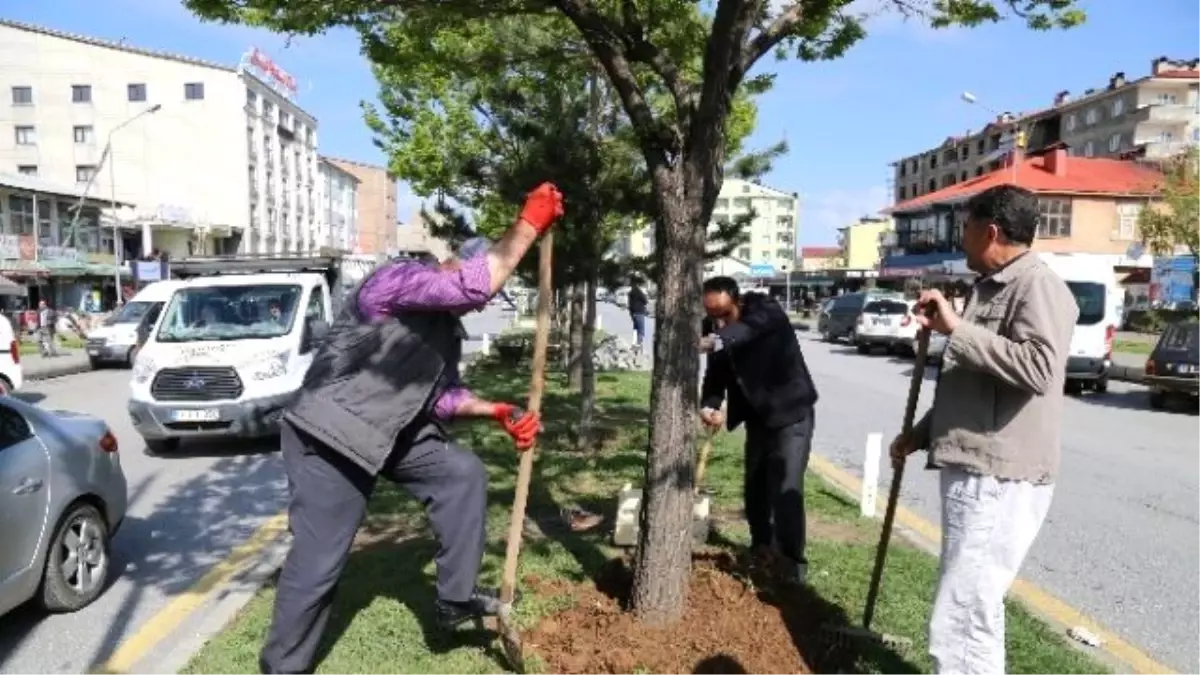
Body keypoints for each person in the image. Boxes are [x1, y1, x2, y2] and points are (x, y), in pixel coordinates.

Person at [259, 183, 564, 675]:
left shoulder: (446, 329)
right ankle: (283, 668)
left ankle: (454, 598)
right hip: (328, 434)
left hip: (390, 433)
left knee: (461, 474)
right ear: (454, 267)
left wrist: (497, 412)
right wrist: (529, 223)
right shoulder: (398, 281)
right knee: (319, 564)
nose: (480, 305)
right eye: (483, 286)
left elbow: (441, 397)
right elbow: (474, 285)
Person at [889, 185, 1077, 674]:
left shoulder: (1037, 286)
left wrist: (958, 330)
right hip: (976, 466)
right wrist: (924, 433)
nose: (962, 236)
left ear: (990, 230)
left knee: (965, 608)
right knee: (968, 598)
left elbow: (1039, 369)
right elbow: (975, 385)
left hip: (998, 474)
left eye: (965, 226)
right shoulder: (990, 287)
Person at [698, 277, 819, 584]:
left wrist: (717, 339)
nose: (719, 321)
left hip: (791, 412)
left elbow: (746, 331)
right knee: (755, 490)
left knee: (785, 488)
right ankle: (762, 549)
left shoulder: (765, 309)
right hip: (757, 418)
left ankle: (792, 565)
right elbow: (715, 374)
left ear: (737, 301)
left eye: (724, 313)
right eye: (712, 315)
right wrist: (710, 404)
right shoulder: (714, 329)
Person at [627, 277, 648, 350]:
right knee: (641, 330)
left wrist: (631, 314)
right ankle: (638, 345)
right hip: (640, 312)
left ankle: (634, 344)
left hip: (634, 313)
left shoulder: (630, 293)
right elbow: (645, 301)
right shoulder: (639, 292)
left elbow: (629, 305)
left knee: (635, 329)